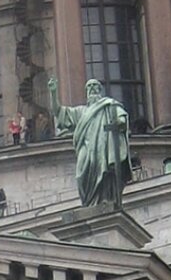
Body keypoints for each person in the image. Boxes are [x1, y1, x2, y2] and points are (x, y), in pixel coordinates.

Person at [50, 76, 132, 210]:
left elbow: (121, 117)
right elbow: (59, 112)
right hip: (86, 149)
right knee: (80, 175)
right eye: (89, 86)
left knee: (104, 171)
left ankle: (105, 199)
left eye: (95, 86)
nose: (92, 88)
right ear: (86, 92)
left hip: (103, 146)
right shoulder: (81, 112)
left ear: (100, 90)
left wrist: (119, 123)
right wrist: (53, 93)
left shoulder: (108, 104)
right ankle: (88, 203)